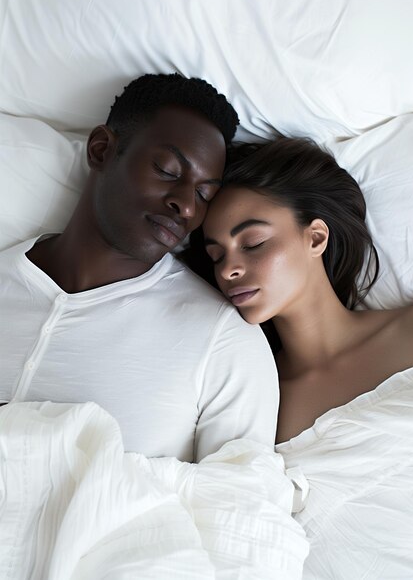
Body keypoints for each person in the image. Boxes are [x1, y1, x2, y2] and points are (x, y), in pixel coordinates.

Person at [0, 73, 278, 462]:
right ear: (100, 150)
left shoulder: (223, 342)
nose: (186, 205)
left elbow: (243, 506)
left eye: (204, 194)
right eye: (167, 170)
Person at [201, 136, 413, 578]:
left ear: (316, 237)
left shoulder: (411, 330)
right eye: (217, 255)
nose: (228, 269)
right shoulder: (252, 396)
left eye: (253, 242)